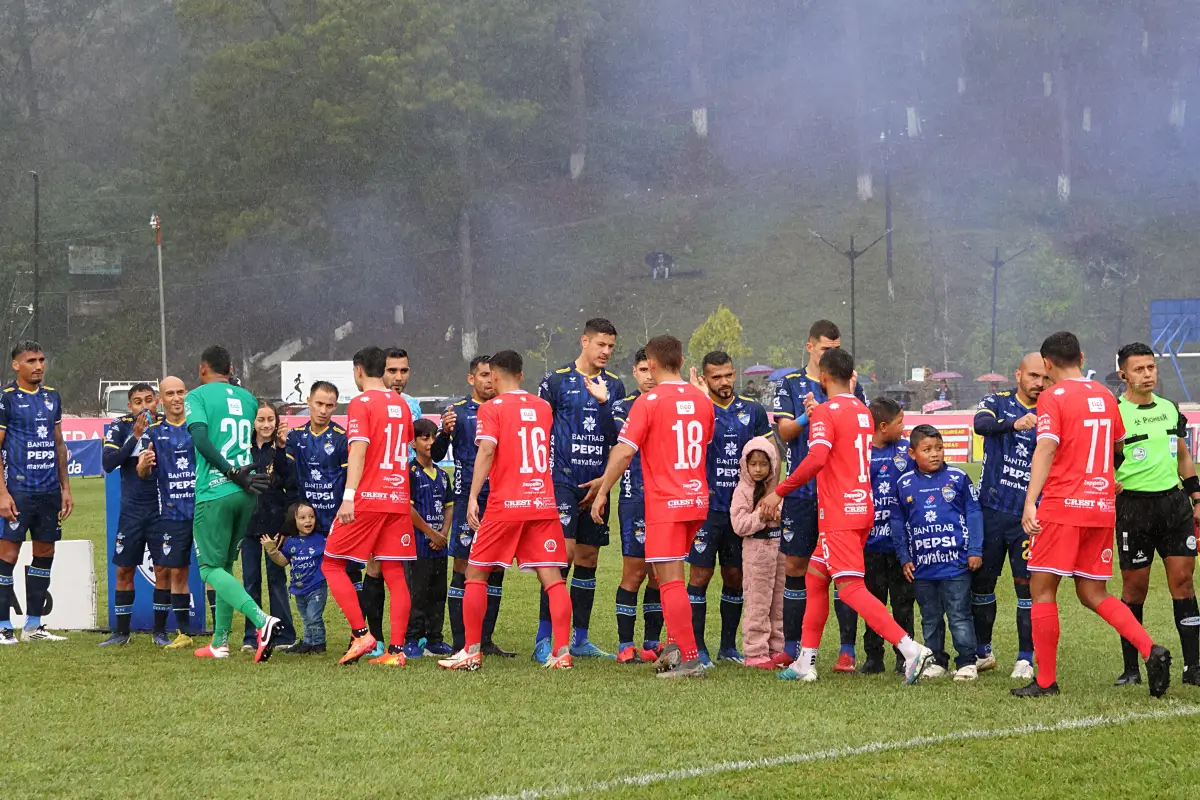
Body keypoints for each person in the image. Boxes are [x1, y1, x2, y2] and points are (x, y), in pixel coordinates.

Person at [757, 347, 934, 684]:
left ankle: (911, 649)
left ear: (823, 377)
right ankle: (805, 661)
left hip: (839, 513)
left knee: (851, 588)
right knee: (816, 578)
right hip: (860, 507)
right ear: (851, 375)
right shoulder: (862, 411)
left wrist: (779, 490)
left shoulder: (826, 412)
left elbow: (818, 457)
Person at [1014, 331, 1172, 698]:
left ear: (1048, 364)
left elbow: (1046, 449)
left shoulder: (1053, 396)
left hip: (1062, 506)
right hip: (1100, 509)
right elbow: (1117, 446)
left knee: (1042, 590)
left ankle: (1045, 681)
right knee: (1092, 591)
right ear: (1082, 357)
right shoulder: (1104, 395)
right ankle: (1151, 651)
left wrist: (1029, 500)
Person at [588, 334, 715, 680]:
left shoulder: (648, 401)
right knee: (669, 577)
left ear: (654, 364)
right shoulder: (703, 401)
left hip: (666, 503)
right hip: (696, 500)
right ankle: (675, 649)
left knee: (670, 580)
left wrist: (602, 491)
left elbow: (625, 451)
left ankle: (690, 660)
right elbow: (703, 442)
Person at [438, 350, 574, 671]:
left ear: (495, 376)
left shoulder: (491, 408)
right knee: (553, 579)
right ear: (521, 375)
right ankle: (562, 652)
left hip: (506, 502)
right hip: (541, 501)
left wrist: (472, 496)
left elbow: (487, 449)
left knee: (475, 573)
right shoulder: (542, 407)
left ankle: (470, 650)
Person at [771, 320, 865, 670]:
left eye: (836, 347)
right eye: (826, 348)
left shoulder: (849, 384)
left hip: (840, 495)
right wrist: (807, 416)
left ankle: (846, 650)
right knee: (796, 566)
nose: (833, 353)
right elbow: (784, 432)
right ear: (810, 347)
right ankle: (794, 648)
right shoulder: (791, 384)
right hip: (803, 491)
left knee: (844, 572)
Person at [536, 318, 626, 661]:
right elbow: (539, 430)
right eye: (600, 345)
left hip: (597, 482)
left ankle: (581, 638)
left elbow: (615, 437)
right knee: (562, 556)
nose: (606, 352)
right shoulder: (556, 380)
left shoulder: (615, 386)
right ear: (584, 341)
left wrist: (604, 482)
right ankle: (545, 638)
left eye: (611, 347)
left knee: (588, 558)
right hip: (561, 478)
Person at [1111, 342, 1200, 687]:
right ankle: (1132, 669)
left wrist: (1196, 496)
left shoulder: (1170, 409)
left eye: (1151, 368)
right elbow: (1106, 458)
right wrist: (1108, 481)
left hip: (1173, 507)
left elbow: (1182, 455)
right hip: (1133, 509)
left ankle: (1193, 667)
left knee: (1183, 583)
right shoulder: (1114, 413)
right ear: (1123, 375)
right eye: (1138, 369)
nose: (1147, 374)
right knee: (1135, 590)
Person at [321, 346, 416, 667]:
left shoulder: (361, 403)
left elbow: (359, 450)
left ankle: (362, 634)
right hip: (398, 498)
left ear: (359, 370)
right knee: (394, 572)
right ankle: (397, 651)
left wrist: (348, 496)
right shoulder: (401, 404)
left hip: (368, 497)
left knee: (332, 564)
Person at [186, 345, 278, 662]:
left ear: (203, 368)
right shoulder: (248, 399)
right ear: (230, 369)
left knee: (209, 569)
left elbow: (200, 440)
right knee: (225, 566)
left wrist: (229, 472)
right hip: (246, 493)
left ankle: (262, 621)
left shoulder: (197, 397)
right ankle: (219, 642)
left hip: (216, 491)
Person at [688, 351, 772, 666]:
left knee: (735, 575)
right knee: (700, 574)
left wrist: (770, 495)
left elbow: (770, 457)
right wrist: (697, 404)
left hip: (740, 510)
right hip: (705, 508)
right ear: (705, 379)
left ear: (734, 374)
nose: (723, 382)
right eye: (716, 377)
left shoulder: (753, 411)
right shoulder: (697, 409)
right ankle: (698, 647)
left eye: (728, 375)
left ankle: (727, 646)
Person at [972, 353, 1045, 680]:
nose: (1038, 383)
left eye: (1044, 378)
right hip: (990, 511)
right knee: (982, 583)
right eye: (1032, 376)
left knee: (1026, 587)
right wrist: (1014, 424)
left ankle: (1025, 657)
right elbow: (980, 425)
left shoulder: (1051, 410)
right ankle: (983, 651)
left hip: (1028, 516)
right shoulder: (997, 402)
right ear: (1018, 374)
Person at [432, 355, 508, 657]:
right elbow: (437, 455)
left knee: (496, 567)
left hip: (501, 498)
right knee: (462, 566)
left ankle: (486, 639)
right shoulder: (458, 413)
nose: (489, 380)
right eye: (483, 375)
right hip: (468, 497)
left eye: (493, 375)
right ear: (471, 379)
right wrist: (445, 432)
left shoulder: (504, 408)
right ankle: (462, 640)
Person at [894, 425, 984, 681]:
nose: (935, 454)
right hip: (922, 567)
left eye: (939, 448)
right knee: (930, 617)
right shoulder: (904, 483)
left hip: (956, 563)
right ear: (912, 453)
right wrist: (904, 557)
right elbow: (897, 523)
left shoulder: (958, 477)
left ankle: (967, 662)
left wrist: (975, 549)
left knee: (959, 613)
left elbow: (974, 514)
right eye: (927, 449)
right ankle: (936, 660)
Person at [0, 341, 73, 645]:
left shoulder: (52, 397)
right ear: (17, 365)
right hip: (18, 491)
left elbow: (58, 444)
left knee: (45, 554)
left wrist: (65, 488)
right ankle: (3, 625)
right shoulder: (6, 400)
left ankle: (33, 625)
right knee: (8, 555)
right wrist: (2, 494)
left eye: (42, 360)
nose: (39, 366)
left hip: (48, 492)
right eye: (31, 360)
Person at [611, 349, 663, 664]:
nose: (649, 376)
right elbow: (627, 441)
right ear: (634, 371)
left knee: (659, 574)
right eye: (643, 369)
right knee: (634, 573)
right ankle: (625, 644)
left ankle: (653, 642)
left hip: (666, 500)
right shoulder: (623, 406)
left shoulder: (668, 404)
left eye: (653, 369)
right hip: (635, 500)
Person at [99, 382, 161, 646]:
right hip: (132, 510)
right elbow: (108, 463)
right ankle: (121, 633)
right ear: (130, 406)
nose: (144, 406)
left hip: (161, 509)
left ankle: (160, 633)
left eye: (149, 400)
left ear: (156, 402)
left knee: (164, 570)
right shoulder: (121, 425)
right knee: (124, 570)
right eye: (138, 401)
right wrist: (134, 436)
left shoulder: (167, 426)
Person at [140, 377, 198, 648]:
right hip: (173, 514)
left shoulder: (199, 427)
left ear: (186, 395)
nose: (176, 398)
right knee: (177, 572)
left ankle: (221, 632)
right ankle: (184, 633)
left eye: (180, 393)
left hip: (204, 509)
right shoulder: (153, 433)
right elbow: (142, 473)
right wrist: (144, 465)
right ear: (161, 400)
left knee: (215, 571)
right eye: (170, 394)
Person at [860, 396, 915, 675]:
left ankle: (905, 655)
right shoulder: (861, 453)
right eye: (900, 422)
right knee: (873, 603)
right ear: (883, 426)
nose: (904, 427)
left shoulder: (908, 450)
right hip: (870, 544)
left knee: (904, 602)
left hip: (902, 544)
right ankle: (873, 656)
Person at [241, 400, 297, 652]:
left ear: (277, 422)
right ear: (252, 423)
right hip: (248, 523)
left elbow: (291, 481)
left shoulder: (283, 447)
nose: (266, 425)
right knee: (251, 581)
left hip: (275, 523)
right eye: (261, 420)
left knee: (276, 579)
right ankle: (252, 636)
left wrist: (283, 448)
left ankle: (284, 634)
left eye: (270, 420)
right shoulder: (243, 449)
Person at [730, 436, 786, 669]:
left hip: (778, 551)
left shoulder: (778, 490)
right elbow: (739, 525)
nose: (758, 469)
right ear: (745, 464)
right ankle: (755, 651)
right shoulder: (742, 491)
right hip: (756, 552)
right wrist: (761, 516)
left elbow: (784, 516)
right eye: (753, 464)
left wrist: (779, 513)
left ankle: (777, 649)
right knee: (757, 602)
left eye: (764, 464)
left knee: (778, 603)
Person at [404, 418, 453, 658]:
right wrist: (430, 533)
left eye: (434, 436)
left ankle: (434, 638)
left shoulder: (443, 475)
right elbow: (408, 509)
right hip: (418, 545)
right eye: (425, 438)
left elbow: (449, 506)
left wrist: (443, 533)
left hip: (440, 546)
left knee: (437, 593)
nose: (430, 442)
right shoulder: (410, 472)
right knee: (417, 593)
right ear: (413, 442)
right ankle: (411, 638)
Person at [263, 502, 327, 654]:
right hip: (299, 588)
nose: (308, 521)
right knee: (305, 617)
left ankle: (319, 643)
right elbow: (283, 561)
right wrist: (271, 549)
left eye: (311, 517)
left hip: (316, 587)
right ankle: (308, 642)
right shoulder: (291, 542)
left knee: (313, 616)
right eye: (303, 518)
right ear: (294, 521)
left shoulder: (321, 539)